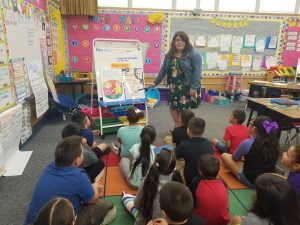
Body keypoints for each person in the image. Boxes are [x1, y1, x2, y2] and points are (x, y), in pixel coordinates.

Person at [24, 136, 115, 225]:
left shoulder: (48, 168)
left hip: (35, 221)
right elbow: (92, 200)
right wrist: (95, 187)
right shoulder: (78, 176)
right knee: (111, 208)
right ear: (77, 160)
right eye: (82, 152)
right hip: (62, 220)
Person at [149, 31, 202, 128]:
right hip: (173, 86)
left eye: (183, 40)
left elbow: (197, 72)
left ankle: (185, 129)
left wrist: (193, 87)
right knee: (173, 107)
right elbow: (163, 69)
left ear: (186, 42)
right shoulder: (170, 54)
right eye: (177, 40)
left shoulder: (194, 54)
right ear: (174, 41)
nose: (180, 42)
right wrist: (155, 82)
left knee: (184, 109)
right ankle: (177, 126)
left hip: (188, 86)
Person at [221, 116, 280, 187]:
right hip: (268, 181)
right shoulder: (275, 142)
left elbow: (234, 158)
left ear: (254, 128)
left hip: (251, 180)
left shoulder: (248, 142)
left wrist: (241, 158)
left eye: (251, 124)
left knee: (224, 155)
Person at [134, 150, 183, 225]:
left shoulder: (146, 181)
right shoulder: (177, 182)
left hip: (145, 220)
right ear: (173, 168)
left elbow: (137, 204)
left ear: (156, 164)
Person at [231, 173, 300, 225]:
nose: (253, 194)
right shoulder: (293, 216)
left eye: (257, 193)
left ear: (264, 202)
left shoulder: (252, 221)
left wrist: (237, 224)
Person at [190, 154, 229, 225]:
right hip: (223, 221)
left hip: (202, 222)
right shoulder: (223, 183)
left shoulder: (196, 182)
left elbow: (191, 200)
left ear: (200, 171)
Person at [175, 117, 214, 187]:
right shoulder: (208, 143)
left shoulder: (184, 144)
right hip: (207, 176)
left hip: (190, 178)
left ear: (188, 130)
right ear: (203, 131)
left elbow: (177, 156)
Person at [114, 106, 144, 178]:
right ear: (138, 117)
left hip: (126, 157)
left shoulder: (121, 130)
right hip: (140, 157)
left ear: (127, 118)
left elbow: (119, 142)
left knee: (117, 143)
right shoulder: (144, 129)